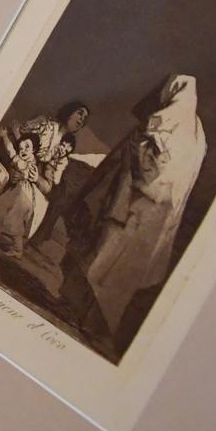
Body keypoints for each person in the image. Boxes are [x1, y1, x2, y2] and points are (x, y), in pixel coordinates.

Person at [57, 74, 206, 350]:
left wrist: (135, 154)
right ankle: (85, 317)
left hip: (132, 205)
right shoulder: (197, 135)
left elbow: (150, 161)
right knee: (113, 265)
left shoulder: (168, 118)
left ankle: (81, 314)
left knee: (104, 257)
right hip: (150, 216)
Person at [0, 102, 89, 257]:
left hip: (31, 170)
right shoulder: (45, 124)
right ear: (69, 111)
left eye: (84, 119)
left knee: (55, 193)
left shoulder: (65, 146)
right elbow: (20, 139)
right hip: (18, 155)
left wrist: (37, 176)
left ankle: (21, 242)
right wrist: (17, 165)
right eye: (80, 113)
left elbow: (50, 174)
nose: (81, 119)